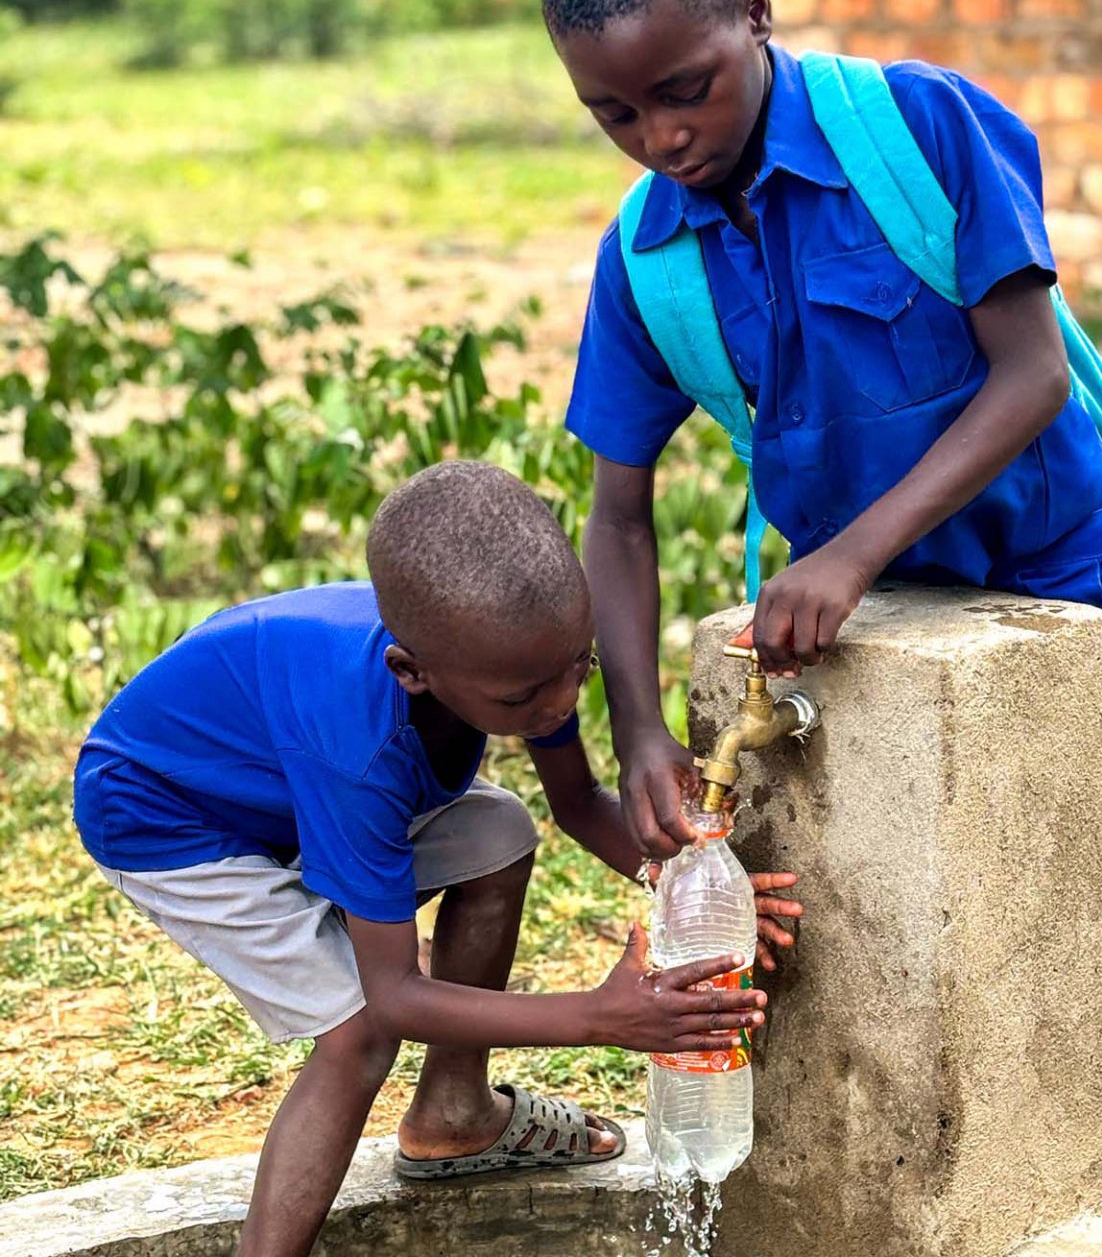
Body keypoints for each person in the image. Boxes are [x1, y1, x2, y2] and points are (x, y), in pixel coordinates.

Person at [541, 0, 1102, 1080]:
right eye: (614, 116)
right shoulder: (646, 258)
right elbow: (617, 519)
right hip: (853, 631)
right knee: (876, 930)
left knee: (1051, 914)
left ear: (755, 10)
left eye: (684, 92)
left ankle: (1088, 1163)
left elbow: (1030, 381)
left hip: (1044, 573)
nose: (662, 139)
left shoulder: (916, 132)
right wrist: (640, 729)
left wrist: (852, 550)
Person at [73, 460, 801, 1257]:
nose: (556, 707)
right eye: (523, 703)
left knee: (498, 834)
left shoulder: (521, 657)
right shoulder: (362, 742)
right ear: (412, 671)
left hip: (282, 787)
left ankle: (454, 1117)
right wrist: (597, 1017)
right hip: (168, 815)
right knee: (356, 1032)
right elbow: (394, 997)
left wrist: (695, 888)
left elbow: (576, 805)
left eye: (578, 670)